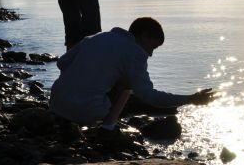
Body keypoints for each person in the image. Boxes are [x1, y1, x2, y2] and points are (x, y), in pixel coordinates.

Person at [49, 17, 215, 136]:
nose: (150, 54)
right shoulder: (135, 53)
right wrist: (190, 99)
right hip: (85, 112)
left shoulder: (96, 37)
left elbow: (62, 63)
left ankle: (67, 119)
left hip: (56, 103)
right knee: (128, 84)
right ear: (143, 36)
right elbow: (148, 96)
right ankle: (107, 129)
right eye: (153, 47)